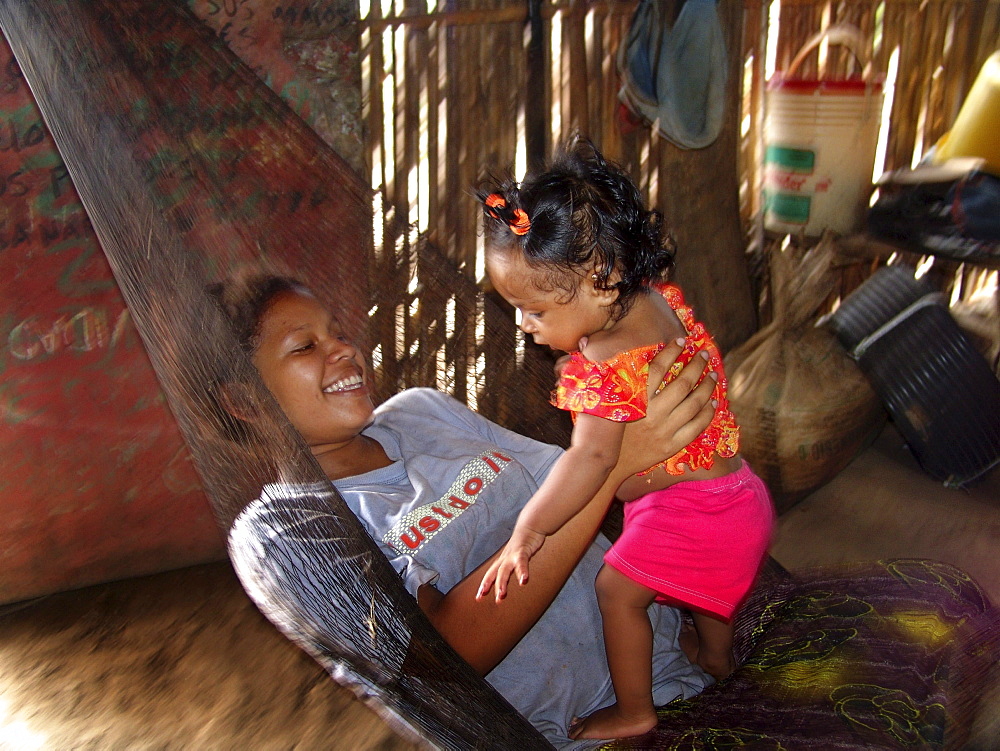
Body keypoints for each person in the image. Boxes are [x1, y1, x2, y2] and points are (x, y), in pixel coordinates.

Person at [212, 273, 719, 747]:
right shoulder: (284, 534)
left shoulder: (422, 412)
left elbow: (576, 490)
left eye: (338, 333)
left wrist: (639, 411)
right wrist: (612, 461)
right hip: (581, 733)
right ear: (244, 401)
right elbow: (448, 657)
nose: (344, 349)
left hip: (673, 659)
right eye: (306, 346)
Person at [473, 139, 774, 740]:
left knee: (616, 590)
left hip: (694, 514)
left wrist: (528, 531)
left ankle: (635, 708)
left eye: (533, 310)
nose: (523, 326)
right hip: (741, 497)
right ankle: (717, 656)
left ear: (602, 281)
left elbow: (590, 461)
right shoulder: (662, 301)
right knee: (705, 591)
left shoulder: (601, 369)